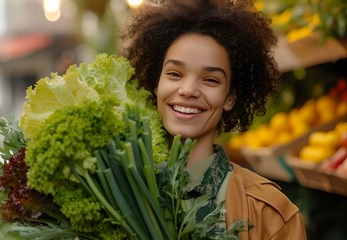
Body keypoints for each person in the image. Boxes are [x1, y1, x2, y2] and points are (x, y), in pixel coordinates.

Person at [121, 0, 307, 239]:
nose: (188, 89)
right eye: (175, 74)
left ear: (230, 97)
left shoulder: (270, 214)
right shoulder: (116, 193)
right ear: (156, 84)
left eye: (210, 80)